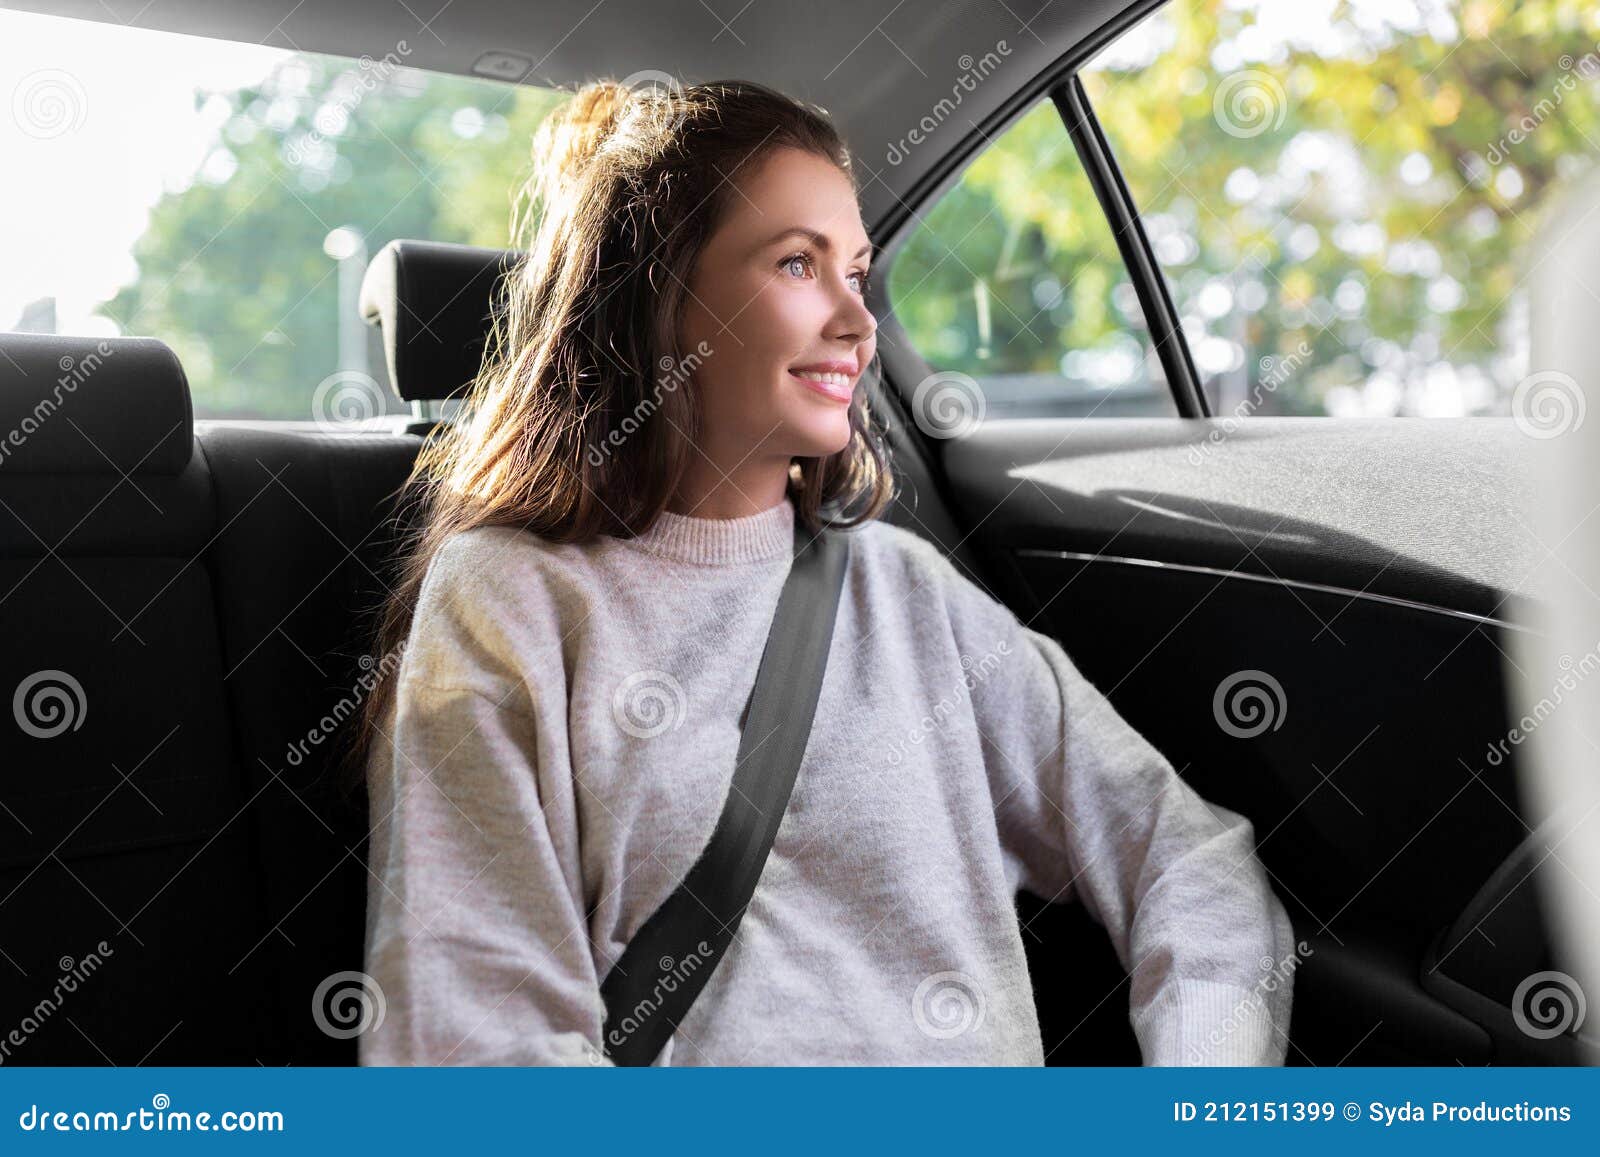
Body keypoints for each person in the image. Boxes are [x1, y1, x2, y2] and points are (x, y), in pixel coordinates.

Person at [342, 78, 1296, 1066]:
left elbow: (1185, 854)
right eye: (799, 263)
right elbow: (473, 1044)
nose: (857, 318)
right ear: (662, 300)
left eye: (859, 269)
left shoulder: (906, 588)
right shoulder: (508, 598)